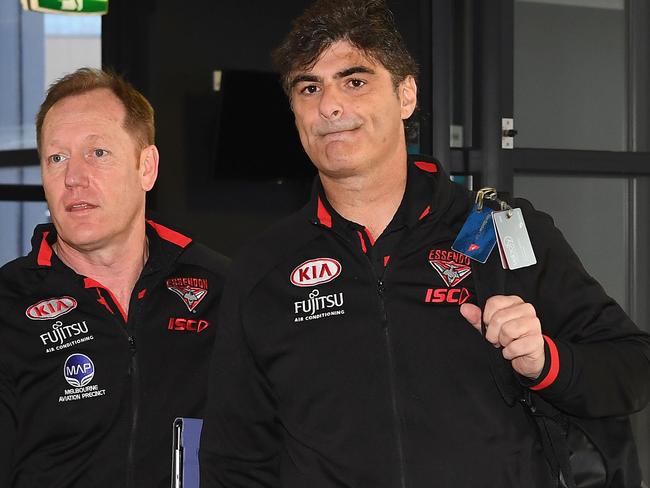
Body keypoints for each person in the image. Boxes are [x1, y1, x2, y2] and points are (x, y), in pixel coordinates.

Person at [199, 1, 650, 486]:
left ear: (406, 94)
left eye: (355, 81)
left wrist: (545, 361)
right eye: (309, 87)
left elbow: (631, 367)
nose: (329, 105)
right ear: (294, 112)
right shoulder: (263, 268)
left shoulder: (501, 230)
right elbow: (236, 460)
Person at [0, 68, 229, 488]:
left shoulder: (223, 290)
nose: (73, 177)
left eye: (97, 153)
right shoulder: (8, 306)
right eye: (56, 158)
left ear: (147, 167)